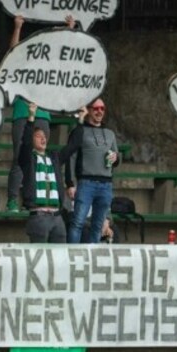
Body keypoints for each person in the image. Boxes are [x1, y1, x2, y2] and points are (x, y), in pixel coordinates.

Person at [5, 15, 53, 211]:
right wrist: (17, 27)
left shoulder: (49, 64)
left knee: (40, 158)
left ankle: (34, 199)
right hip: (23, 113)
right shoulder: (22, 62)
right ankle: (12, 200)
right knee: (20, 157)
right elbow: (12, 52)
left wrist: (70, 29)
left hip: (43, 114)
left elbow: (67, 55)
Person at [64, 98, 120, 244]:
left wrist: (116, 158)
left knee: (98, 225)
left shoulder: (110, 133)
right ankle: (72, 256)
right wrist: (70, 183)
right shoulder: (80, 131)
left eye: (102, 108)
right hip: (86, 182)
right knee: (77, 222)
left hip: (105, 184)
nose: (99, 111)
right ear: (89, 110)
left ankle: (93, 255)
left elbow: (116, 157)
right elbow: (71, 157)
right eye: (96, 108)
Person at [18, 103, 71, 243]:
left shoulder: (54, 159)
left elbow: (72, 146)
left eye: (44, 136)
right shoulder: (28, 160)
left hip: (57, 217)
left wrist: (82, 120)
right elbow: (25, 144)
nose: (43, 139)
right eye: (38, 136)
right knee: (38, 259)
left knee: (60, 260)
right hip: (38, 216)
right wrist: (31, 117)